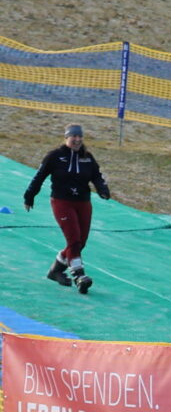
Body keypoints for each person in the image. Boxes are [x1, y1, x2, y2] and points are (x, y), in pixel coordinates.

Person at [23, 122, 112, 292]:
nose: (77, 140)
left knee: (81, 242)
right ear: (66, 137)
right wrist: (29, 195)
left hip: (83, 202)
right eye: (74, 136)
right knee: (74, 240)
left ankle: (55, 271)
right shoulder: (55, 156)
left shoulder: (87, 157)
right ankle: (79, 275)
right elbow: (39, 176)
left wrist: (102, 189)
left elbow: (97, 176)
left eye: (80, 136)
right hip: (62, 201)